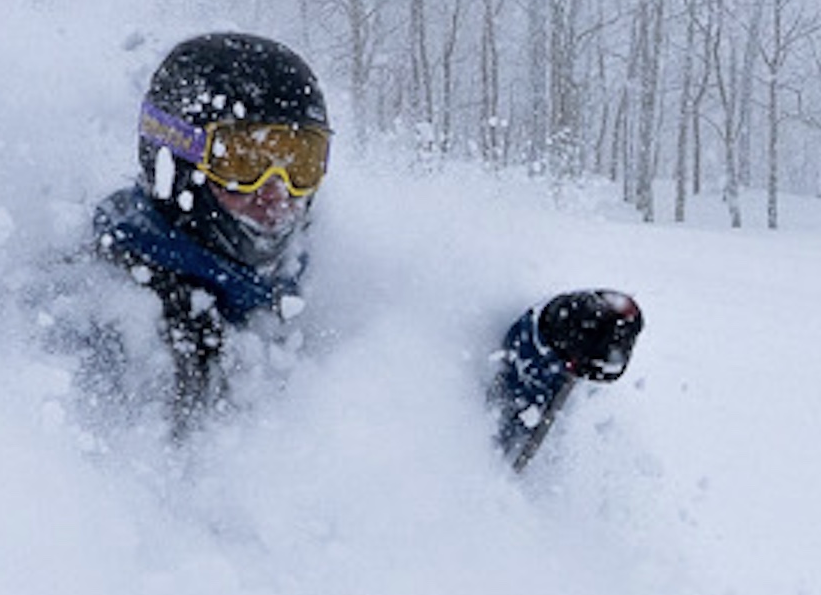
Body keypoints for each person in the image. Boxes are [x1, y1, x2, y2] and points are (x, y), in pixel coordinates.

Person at [81, 30, 642, 468]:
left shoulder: (329, 286)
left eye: (300, 162)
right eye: (246, 162)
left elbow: (449, 463)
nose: (278, 192)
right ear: (175, 159)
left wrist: (544, 353)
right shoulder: (102, 313)